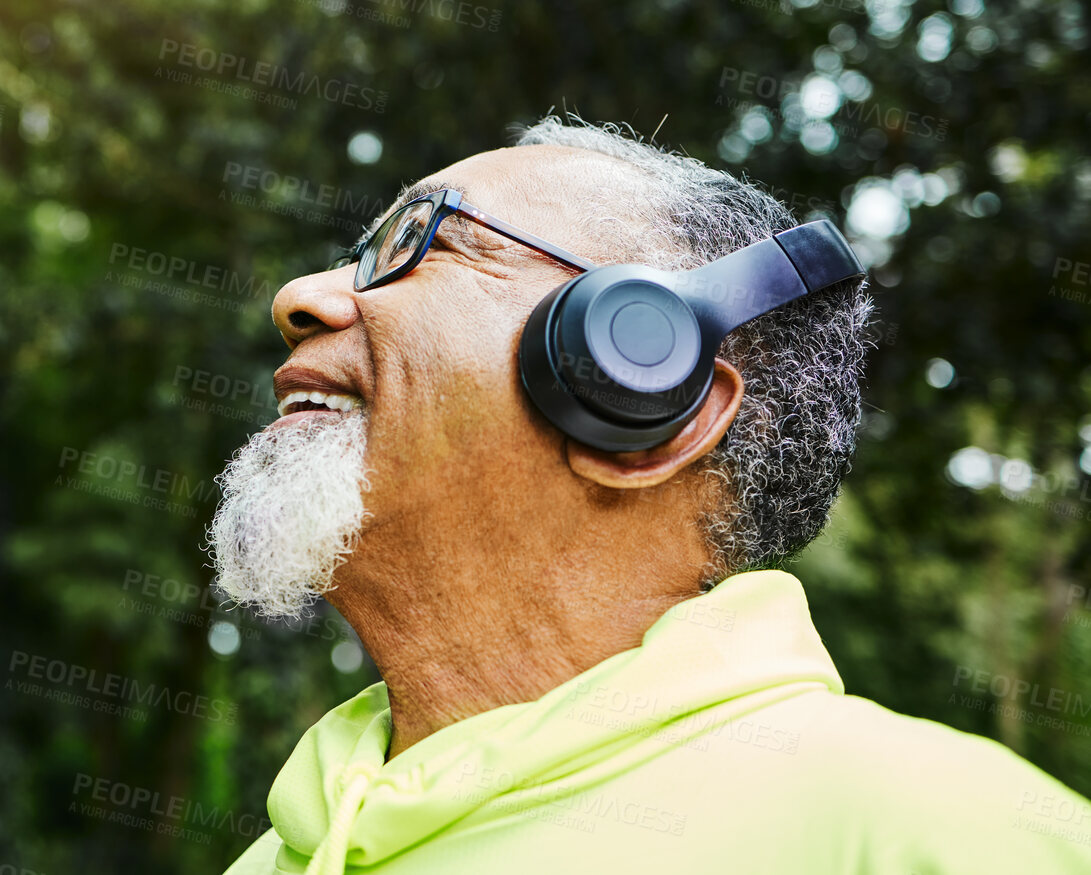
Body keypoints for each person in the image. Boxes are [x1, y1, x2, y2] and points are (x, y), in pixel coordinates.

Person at [208, 117, 1091, 874]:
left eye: (421, 241)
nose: (300, 297)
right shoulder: (272, 856)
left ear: (646, 389)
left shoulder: (934, 831)